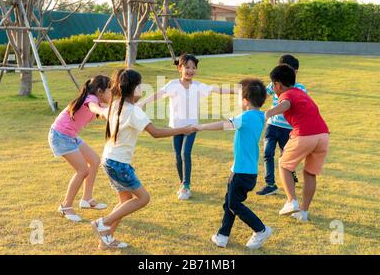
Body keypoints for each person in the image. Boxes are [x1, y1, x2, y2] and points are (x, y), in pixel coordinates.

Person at [91, 68, 196, 250]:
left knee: (125, 202)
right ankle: (103, 223)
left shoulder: (117, 104)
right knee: (143, 198)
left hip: (108, 159)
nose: (142, 90)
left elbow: (103, 110)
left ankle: (105, 239)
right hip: (118, 163)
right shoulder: (133, 111)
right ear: (134, 89)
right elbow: (155, 133)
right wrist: (183, 129)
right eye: (140, 86)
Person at [138, 54, 235, 200]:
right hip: (175, 127)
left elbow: (217, 89)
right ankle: (182, 183)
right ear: (179, 68)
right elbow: (158, 94)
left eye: (193, 68)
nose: (190, 70)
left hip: (191, 127)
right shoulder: (172, 85)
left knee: (185, 153)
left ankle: (186, 186)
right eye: (187, 67)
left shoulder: (198, 86)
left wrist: (237, 90)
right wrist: (143, 103)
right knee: (178, 156)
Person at [194, 78, 273, 249]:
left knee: (234, 204)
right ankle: (222, 235)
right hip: (243, 169)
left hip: (242, 172)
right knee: (229, 202)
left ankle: (261, 229)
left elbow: (224, 125)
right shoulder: (260, 116)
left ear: (245, 101)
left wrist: (201, 127)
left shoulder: (245, 117)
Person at [265, 64, 330, 222]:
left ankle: (291, 201)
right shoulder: (300, 92)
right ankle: (303, 212)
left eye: (273, 85)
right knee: (309, 173)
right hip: (323, 135)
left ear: (278, 85)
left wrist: (269, 113)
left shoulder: (285, 95)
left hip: (305, 135)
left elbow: (286, 104)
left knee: (283, 164)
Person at [48, 75, 111, 222]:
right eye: (110, 90)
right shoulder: (91, 100)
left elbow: (106, 109)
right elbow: (94, 108)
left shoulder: (95, 100)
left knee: (95, 161)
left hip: (70, 135)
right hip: (61, 136)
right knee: (83, 171)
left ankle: (86, 199)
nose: (112, 93)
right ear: (100, 91)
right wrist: (103, 112)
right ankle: (65, 206)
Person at [256, 54, 307, 196]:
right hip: (272, 125)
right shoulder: (274, 84)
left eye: (294, 72)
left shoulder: (300, 88)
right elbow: (263, 96)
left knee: (286, 157)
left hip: (289, 129)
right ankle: (270, 184)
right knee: (267, 153)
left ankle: (291, 175)